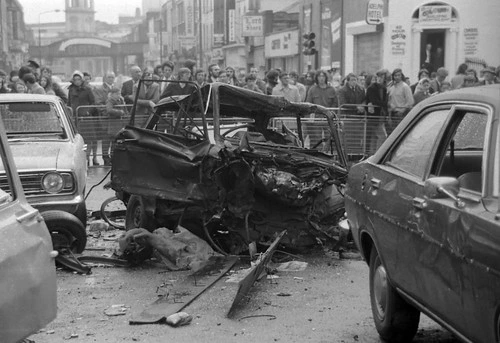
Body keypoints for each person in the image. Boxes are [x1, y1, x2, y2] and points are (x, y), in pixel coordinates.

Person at [67, 70, 98, 165]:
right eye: (75, 79)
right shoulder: (71, 89)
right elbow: (69, 102)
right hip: (76, 117)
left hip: (86, 117)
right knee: (78, 140)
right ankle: (81, 157)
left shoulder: (87, 89)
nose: (77, 81)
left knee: (88, 139)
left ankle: (87, 157)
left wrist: (88, 111)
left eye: (79, 79)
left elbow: (93, 102)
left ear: (82, 79)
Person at [93, 71, 117, 165]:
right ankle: (105, 157)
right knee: (106, 138)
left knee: (114, 138)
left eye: (112, 77)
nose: (111, 79)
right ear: (105, 78)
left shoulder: (116, 88)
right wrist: (107, 110)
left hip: (115, 118)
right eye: (109, 77)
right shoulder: (99, 89)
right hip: (105, 118)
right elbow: (98, 103)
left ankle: (113, 155)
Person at [365, 69, 389, 154]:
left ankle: (373, 154)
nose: (380, 79)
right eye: (379, 77)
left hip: (381, 116)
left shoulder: (384, 88)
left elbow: (385, 102)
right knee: (382, 136)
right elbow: (374, 101)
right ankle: (378, 155)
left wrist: (384, 105)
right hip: (374, 116)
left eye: (382, 77)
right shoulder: (371, 88)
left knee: (375, 137)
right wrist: (383, 104)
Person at [387, 68, 414, 134]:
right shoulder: (391, 88)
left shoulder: (405, 87)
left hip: (401, 114)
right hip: (392, 115)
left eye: (399, 75)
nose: (397, 77)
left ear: (401, 76)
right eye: (395, 75)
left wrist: (402, 110)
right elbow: (389, 100)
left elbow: (410, 101)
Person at [106, 87, 128, 158]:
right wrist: (119, 112)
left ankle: (119, 156)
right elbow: (109, 110)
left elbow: (125, 109)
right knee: (114, 140)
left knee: (120, 140)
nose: (119, 95)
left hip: (121, 123)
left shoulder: (121, 100)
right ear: (112, 94)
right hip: (113, 123)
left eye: (119, 93)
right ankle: (112, 156)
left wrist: (126, 114)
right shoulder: (110, 101)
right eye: (117, 94)